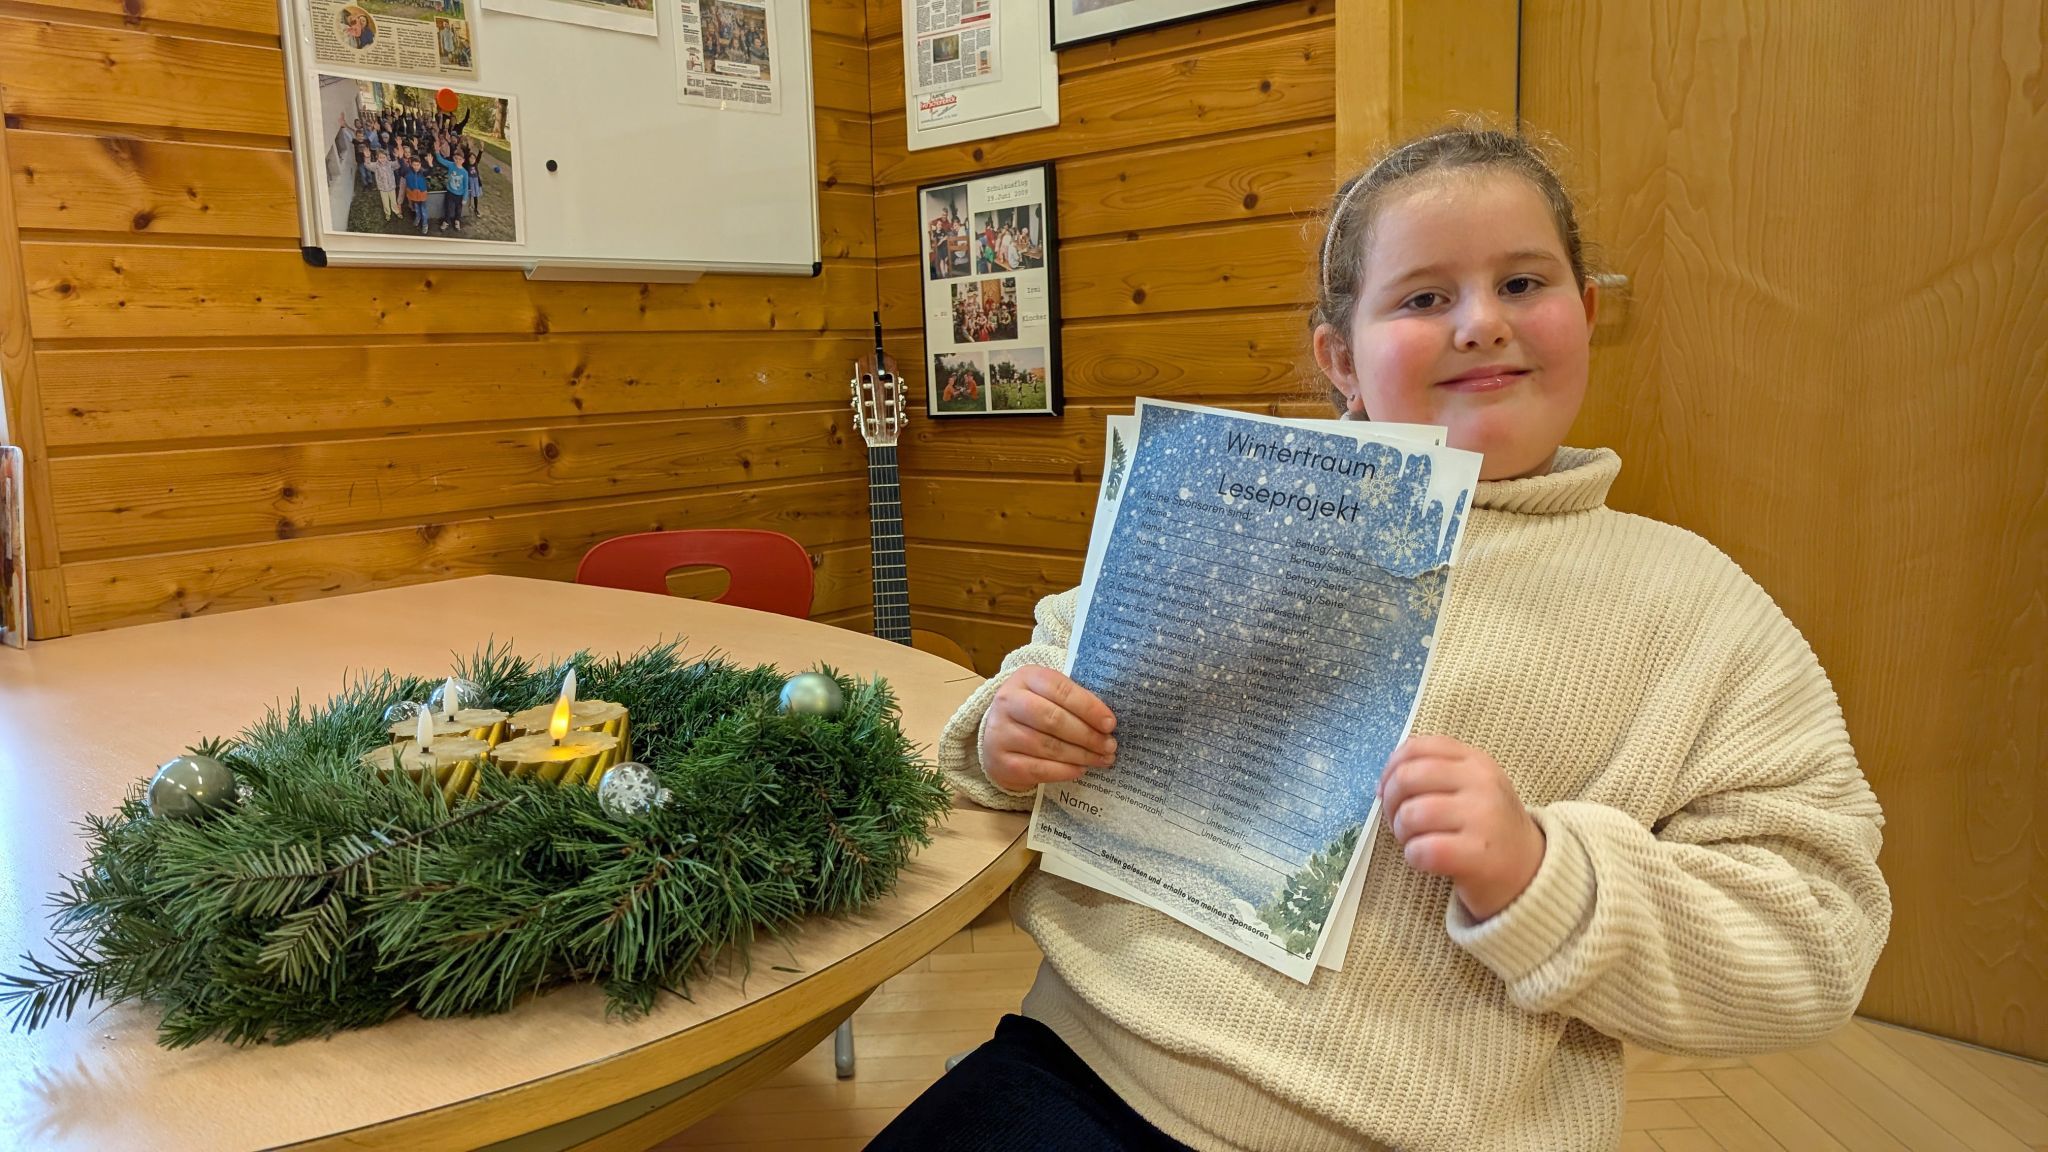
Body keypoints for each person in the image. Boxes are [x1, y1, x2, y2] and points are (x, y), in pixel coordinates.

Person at [867, 122, 1892, 1152]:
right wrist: (1008, 730)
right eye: (1423, 298)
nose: (1481, 323)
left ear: (1585, 313)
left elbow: (1818, 936)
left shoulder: (1699, 610)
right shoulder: (1235, 504)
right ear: (1340, 358)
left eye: (1523, 283)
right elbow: (1049, 671)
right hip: (1085, 1063)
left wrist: (1546, 875)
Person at [368, 150, 399, 219]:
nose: (382, 159)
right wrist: (367, 157)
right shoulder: (376, 166)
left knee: (393, 201)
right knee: (385, 202)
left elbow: (398, 164)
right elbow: (368, 165)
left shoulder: (390, 164)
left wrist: (397, 157)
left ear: (387, 157)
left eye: (384, 157)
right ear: (377, 157)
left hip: (391, 187)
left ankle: (396, 211)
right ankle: (387, 213)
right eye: (380, 157)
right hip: (382, 188)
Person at [401, 157, 430, 233]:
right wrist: (401, 159)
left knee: (423, 210)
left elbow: (429, 172)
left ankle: (425, 224)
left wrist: (430, 165)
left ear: (420, 165)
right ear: (411, 164)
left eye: (418, 165)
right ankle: (418, 218)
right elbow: (402, 172)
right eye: (414, 165)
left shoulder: (423, 172)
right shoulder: (408, 171)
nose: (416, 167)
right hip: (414, 194)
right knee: (416, 207)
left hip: (422, 194)